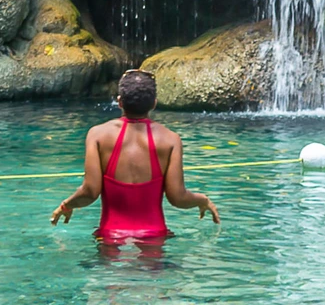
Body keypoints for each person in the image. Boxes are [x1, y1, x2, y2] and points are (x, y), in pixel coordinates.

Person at [50, 69, 220, 244]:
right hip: (154, 235)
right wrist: (203, 200)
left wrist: (66, 205)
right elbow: (178, 198)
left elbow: (90, 192)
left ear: (119, 102)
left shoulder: (97, 135)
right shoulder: (170, 140)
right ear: (154, 103)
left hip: (110, 236)